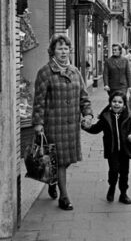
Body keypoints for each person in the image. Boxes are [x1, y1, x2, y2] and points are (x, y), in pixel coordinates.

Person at [33, 34, 93, 210]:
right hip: (54, 124)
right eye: (60, 48)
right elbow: (39, 101)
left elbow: (84, 97)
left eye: (66, 48)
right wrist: (38, 123)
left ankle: (52, 182)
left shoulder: (75, 72)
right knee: (59, 161)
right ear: (53, 51)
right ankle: (64, 197)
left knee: (64, 161)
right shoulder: (45, 72)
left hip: (71, 126)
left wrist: (88, 114)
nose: (63, 52)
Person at [83, 90, 131, 204]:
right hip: (112, 150)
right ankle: (112, 187)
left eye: (120, 102)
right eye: (114, 101)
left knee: (124, 173)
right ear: (110, 103)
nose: (116, 104)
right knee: (113, 171)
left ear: (124, 105)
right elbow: (96, 129)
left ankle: (123, 194)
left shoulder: (128, 117)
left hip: (125, 151)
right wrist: (86, 127)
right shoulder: (106, 117)